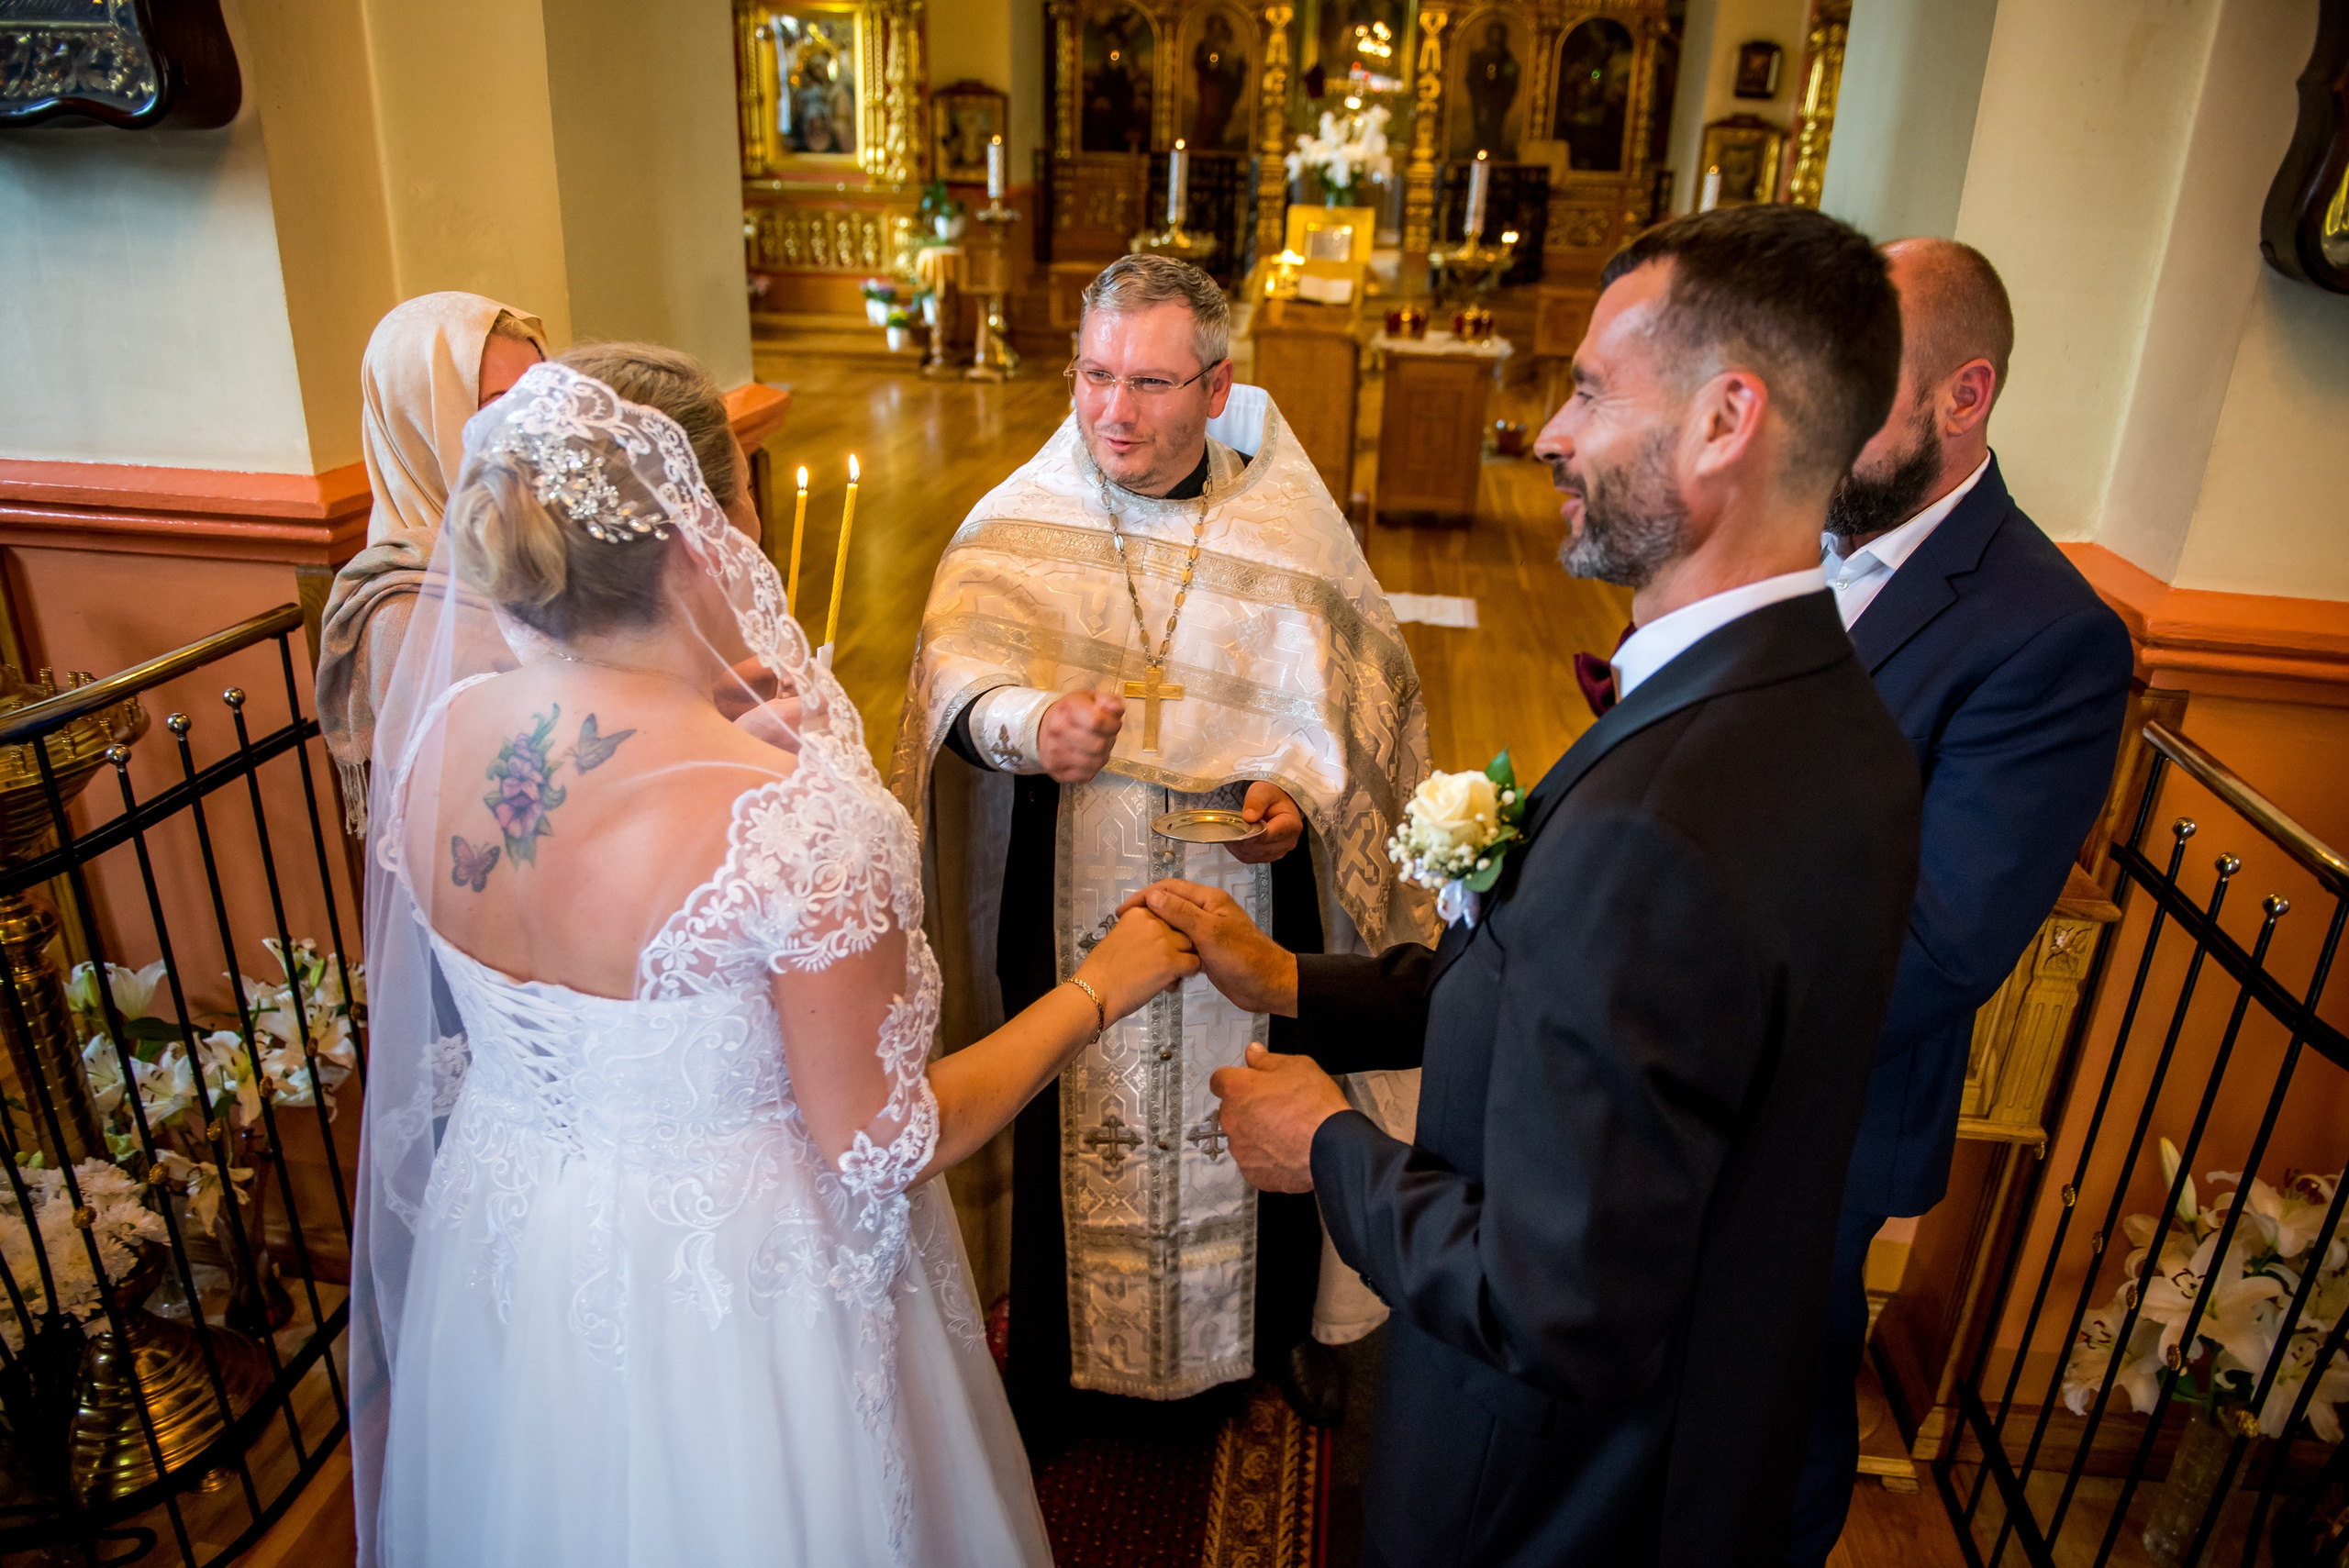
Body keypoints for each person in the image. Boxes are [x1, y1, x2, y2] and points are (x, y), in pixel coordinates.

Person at [1138, 205, 1924, 1565]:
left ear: (1725, 420)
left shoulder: (1664, 822)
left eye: (1590, 390)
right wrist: (1290, 983)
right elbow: (1562, 994)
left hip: (1554, 1501)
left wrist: (1325, 1143)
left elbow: (1556, 1302)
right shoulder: (1822, 710)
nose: (1550, 432)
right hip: (1708, 1427)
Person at [349, 344, 1199, 1567]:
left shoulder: (433, 734)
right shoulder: (799, 820)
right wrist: (1101, 985)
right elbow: (888, 1139)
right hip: (728, 1294)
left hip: (517, 1244)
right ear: (705, 529)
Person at [888, 253, 1435, 1449]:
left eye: (1148, 383)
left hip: (1245, 899)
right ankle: (1060, 1366)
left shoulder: (1292, 532)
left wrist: (1297, 802)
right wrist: (1039, 725)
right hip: (1064, 880)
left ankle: (1253, 1350)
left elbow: (1352, 725)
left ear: (1216, 384)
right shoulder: (1020, 521)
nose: (1114, 412)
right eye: (1093, 376)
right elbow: (959, 691)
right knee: (1069, 1108)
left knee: (1248, 1111)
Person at [1782, 239, 2133, 1565]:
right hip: (1678, 1072)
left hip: (1822, 1110)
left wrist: (1689, 1001)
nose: (1814, 419)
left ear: (1963, 395)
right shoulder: (1790, 527)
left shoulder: (2049, 636)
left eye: (1857, 386)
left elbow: (1938, 940)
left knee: (1775, 1426)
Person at [316, 293, 547, 829]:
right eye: (496, 406)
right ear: (421, 425)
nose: (535, 426)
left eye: (541, 396)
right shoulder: (401, 604)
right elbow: (460, 813)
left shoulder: (547, 538)